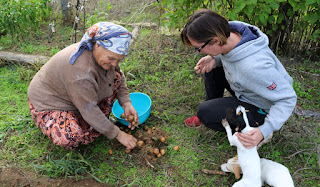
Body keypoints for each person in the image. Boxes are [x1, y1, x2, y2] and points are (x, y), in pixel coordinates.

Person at [181, 9, 297, 149]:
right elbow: (230, 58)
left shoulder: (253, 67)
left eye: (199, 48)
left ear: (216, 40)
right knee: (211, 67)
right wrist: (215, 59)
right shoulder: (229, 31)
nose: (199, 52)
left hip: (262, 106)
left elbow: (287, 98)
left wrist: (265, 129)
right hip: (246, 86)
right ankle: (216, 104)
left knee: (204, 112)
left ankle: (258, 126)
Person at [27, 22, 138, 150]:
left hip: (77, 94)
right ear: (97, 45)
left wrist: (126, 103)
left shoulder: (108, 57)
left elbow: (118, 74)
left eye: (119, 60)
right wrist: (118, 134)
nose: (115, 64)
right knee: (69, 136)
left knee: (115, 78)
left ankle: (96, 123)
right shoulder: (81, 72)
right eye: (112, 58)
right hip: (50, 102)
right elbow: (89, 109)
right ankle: (59, 121)